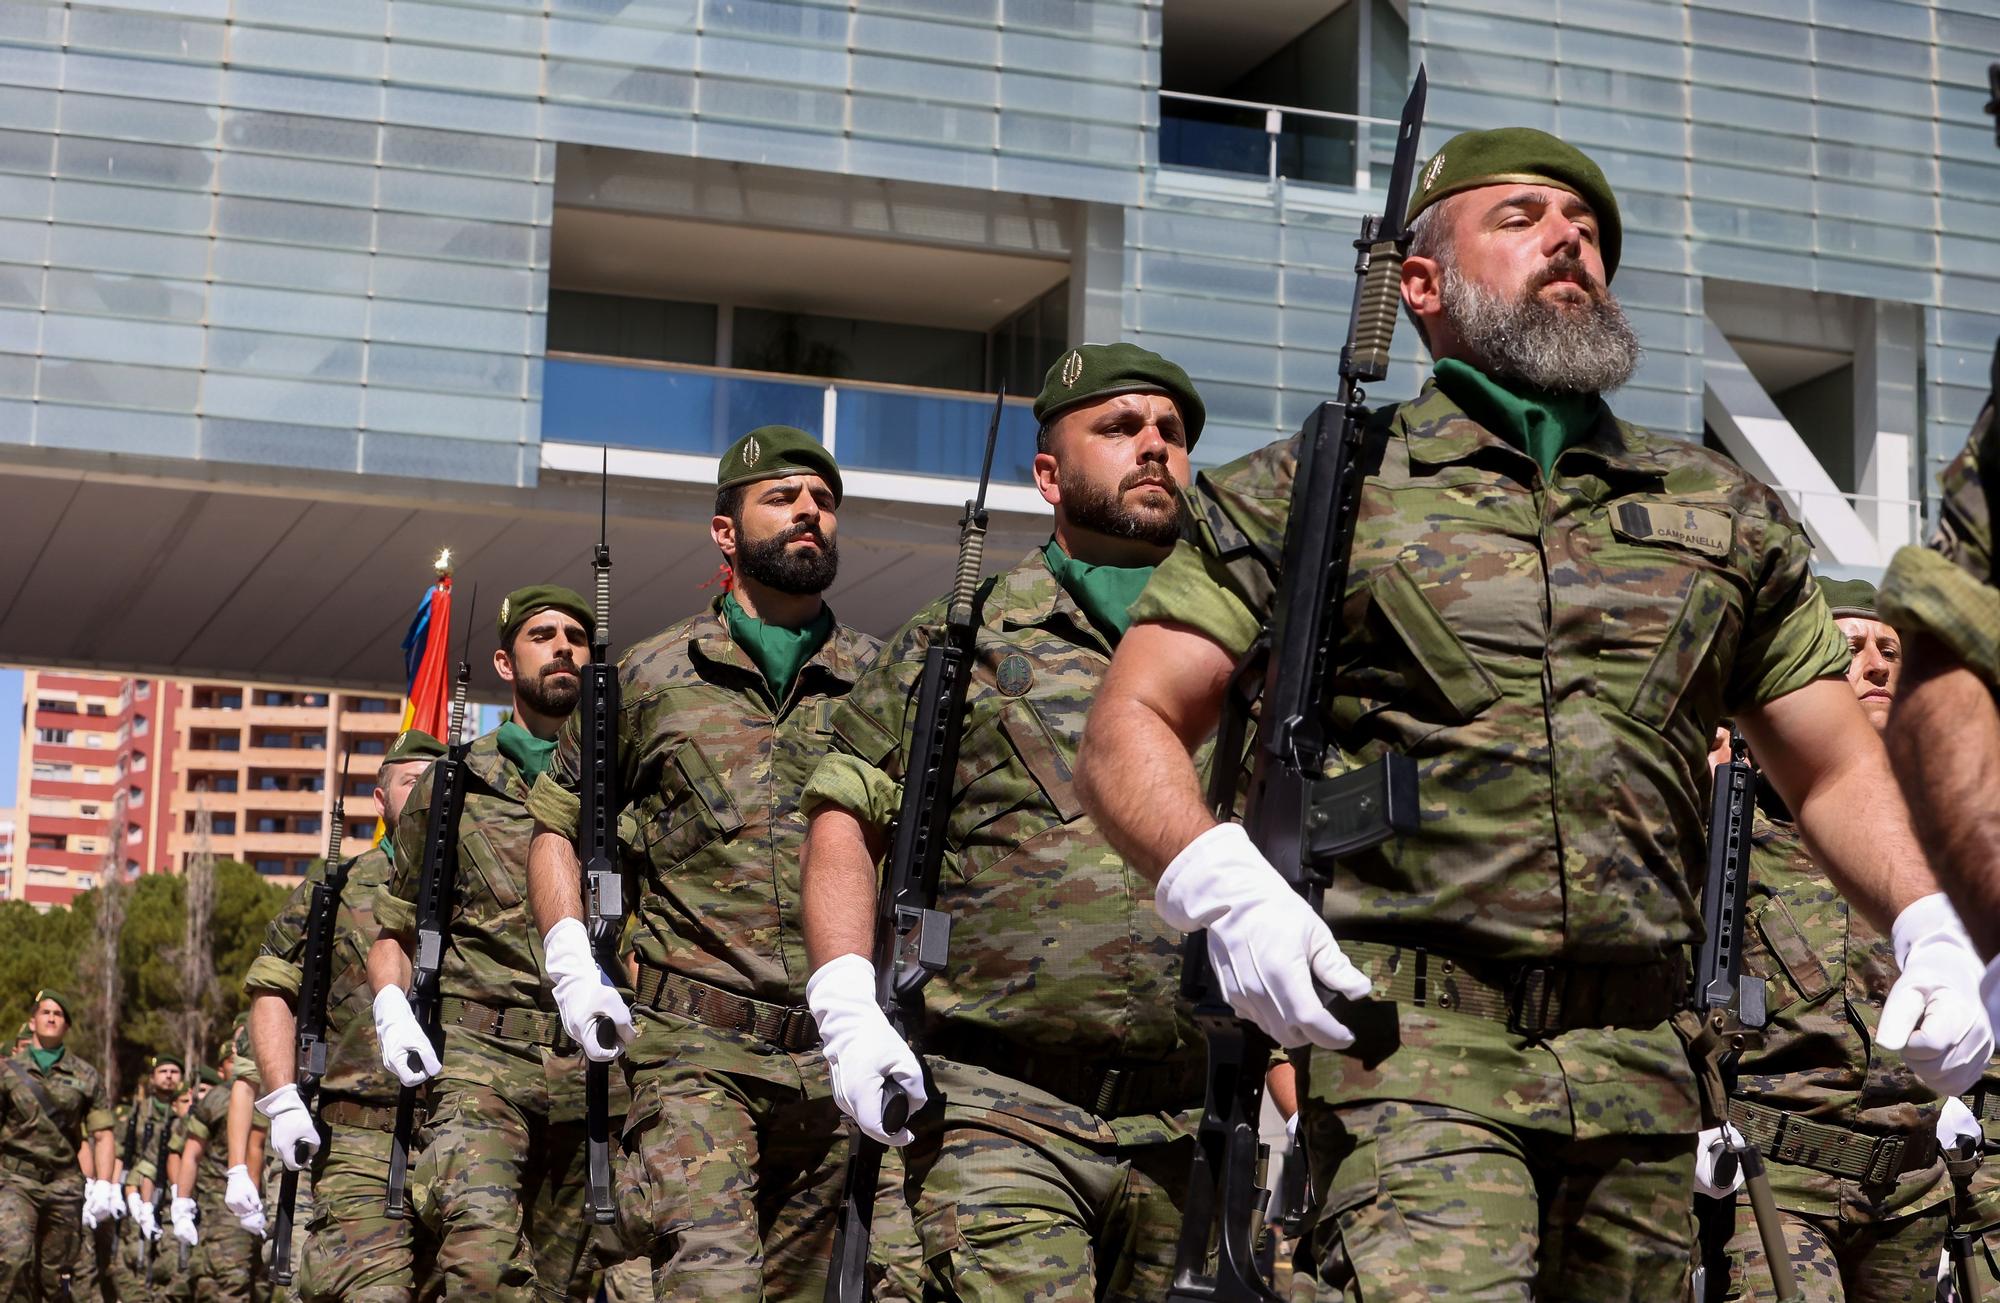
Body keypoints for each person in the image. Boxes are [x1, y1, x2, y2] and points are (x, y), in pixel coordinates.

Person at [1072, 127, 1994, 1300]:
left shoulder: (1721, 506)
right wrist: (1219, 881)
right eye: (1518, 217)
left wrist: (1926, 922)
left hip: (1650, 1070)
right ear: (1419, 284)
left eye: (1588, 229)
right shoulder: (1315, 485)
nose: (1569, 240)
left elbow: (1825, 763)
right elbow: (1129, 723)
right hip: (1415, 1056)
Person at [797, 348, 1210, 1300]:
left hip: (1190, 1119)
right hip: (999, 1108)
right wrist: (847, 1006)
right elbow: (844, 814)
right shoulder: (964, 637)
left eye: (1171, 433)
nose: (1153, 446)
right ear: (1049, 474)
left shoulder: (1236, 641)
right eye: (1118, 427)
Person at [527, 427, 919, 1302]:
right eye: (783, 497)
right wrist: (568, 961)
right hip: (694, 1054)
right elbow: (555, 824)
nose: (809, 512)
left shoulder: (886, 677)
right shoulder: (648, 678)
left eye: (823, 501)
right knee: (713, 1285)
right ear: (725, 532)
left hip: (840, 1058)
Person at [1698, 579, 1953, 1301]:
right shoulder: (1730, 823)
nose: (1875, 666)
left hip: (1910, 1191)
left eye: (1890, 650)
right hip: (1775, 1185)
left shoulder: (1942, 838)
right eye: (1849, 650)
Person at [369, 586, 614, 1301]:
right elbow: (393, 927)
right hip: (482, 1063)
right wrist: (391, 1005)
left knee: (572, 1282)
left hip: (593, 1070)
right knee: (480, 1267)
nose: (564, 645)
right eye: (543, 634)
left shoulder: (621, 777)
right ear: (507, 660)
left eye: (577, 634)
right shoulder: (453, 785)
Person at [246, 727, 444, 1303]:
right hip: (363, 1134)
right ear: (379, 802)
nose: (427, 793)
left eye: (438, 782)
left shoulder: (482, 878)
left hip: (468, 1130)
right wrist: (282, 1097)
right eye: (412, 782)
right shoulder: (337, 885)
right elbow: (272, 986)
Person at [0, 989, 116, 1299]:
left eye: (59, 1014)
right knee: (13, 1258)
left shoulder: (87, 1075)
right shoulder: (7, 1072)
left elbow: (102, 1133)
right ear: (33, 1021)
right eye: (45, 1012)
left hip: (64, 1184)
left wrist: (103, 1183)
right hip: (15, 1180)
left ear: (66, 1026)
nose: (51, 1017)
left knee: (56, 1275)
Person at [174, 1029, 268, 1303]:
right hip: (227, 1212)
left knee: (261, 1289)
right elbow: (190, 1154)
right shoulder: (217, 1099)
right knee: (231, 1286)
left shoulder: (283, 1087)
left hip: (273, 1208)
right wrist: (181, 1204)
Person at [113, 1055, 183, 1298]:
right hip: (139, 1192)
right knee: (136, 1257)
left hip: (174, 1197)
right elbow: (121, 1151)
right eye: (163, 1071)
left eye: (174, 1071)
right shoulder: (138, 1112)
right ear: (153, 1078)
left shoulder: (187, 1110)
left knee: (175, 1262)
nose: (169, 1076)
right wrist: (115, 1189)